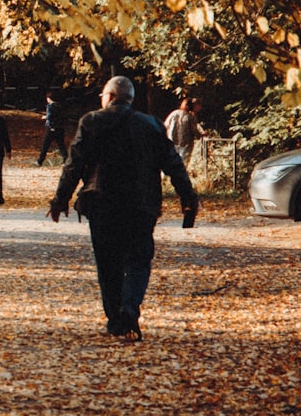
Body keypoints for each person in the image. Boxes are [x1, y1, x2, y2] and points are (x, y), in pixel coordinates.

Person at [48, 76, 199, 342]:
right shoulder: (150, 124)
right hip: (142, 205)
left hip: (102, 202)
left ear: (109, 96)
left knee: (108, 264)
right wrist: (188, 198)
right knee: (139, 260)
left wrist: (60, 200)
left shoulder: (92, 121)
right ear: (130, 98)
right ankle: (130, 308)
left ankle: (115, 319)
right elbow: (173, 163)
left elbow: (74, 165)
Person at [164, 98, 206, 166]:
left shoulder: (174, 113)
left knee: (171, 160)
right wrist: (201, 135)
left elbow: (165, 125)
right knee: (183, 162)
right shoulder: (190, 117)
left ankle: (166, 175)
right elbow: (194, 130)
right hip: (186, 143)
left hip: (172, 141)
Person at [36, 90, 68, 166]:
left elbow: (50, 116)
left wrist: (45, 117)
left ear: (49, 98)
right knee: (61, 145)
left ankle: (40, 161)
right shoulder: (60, 106)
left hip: (51, 128)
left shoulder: (50, 106)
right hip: (60, 128)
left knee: (45, 145)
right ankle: (66, 160)